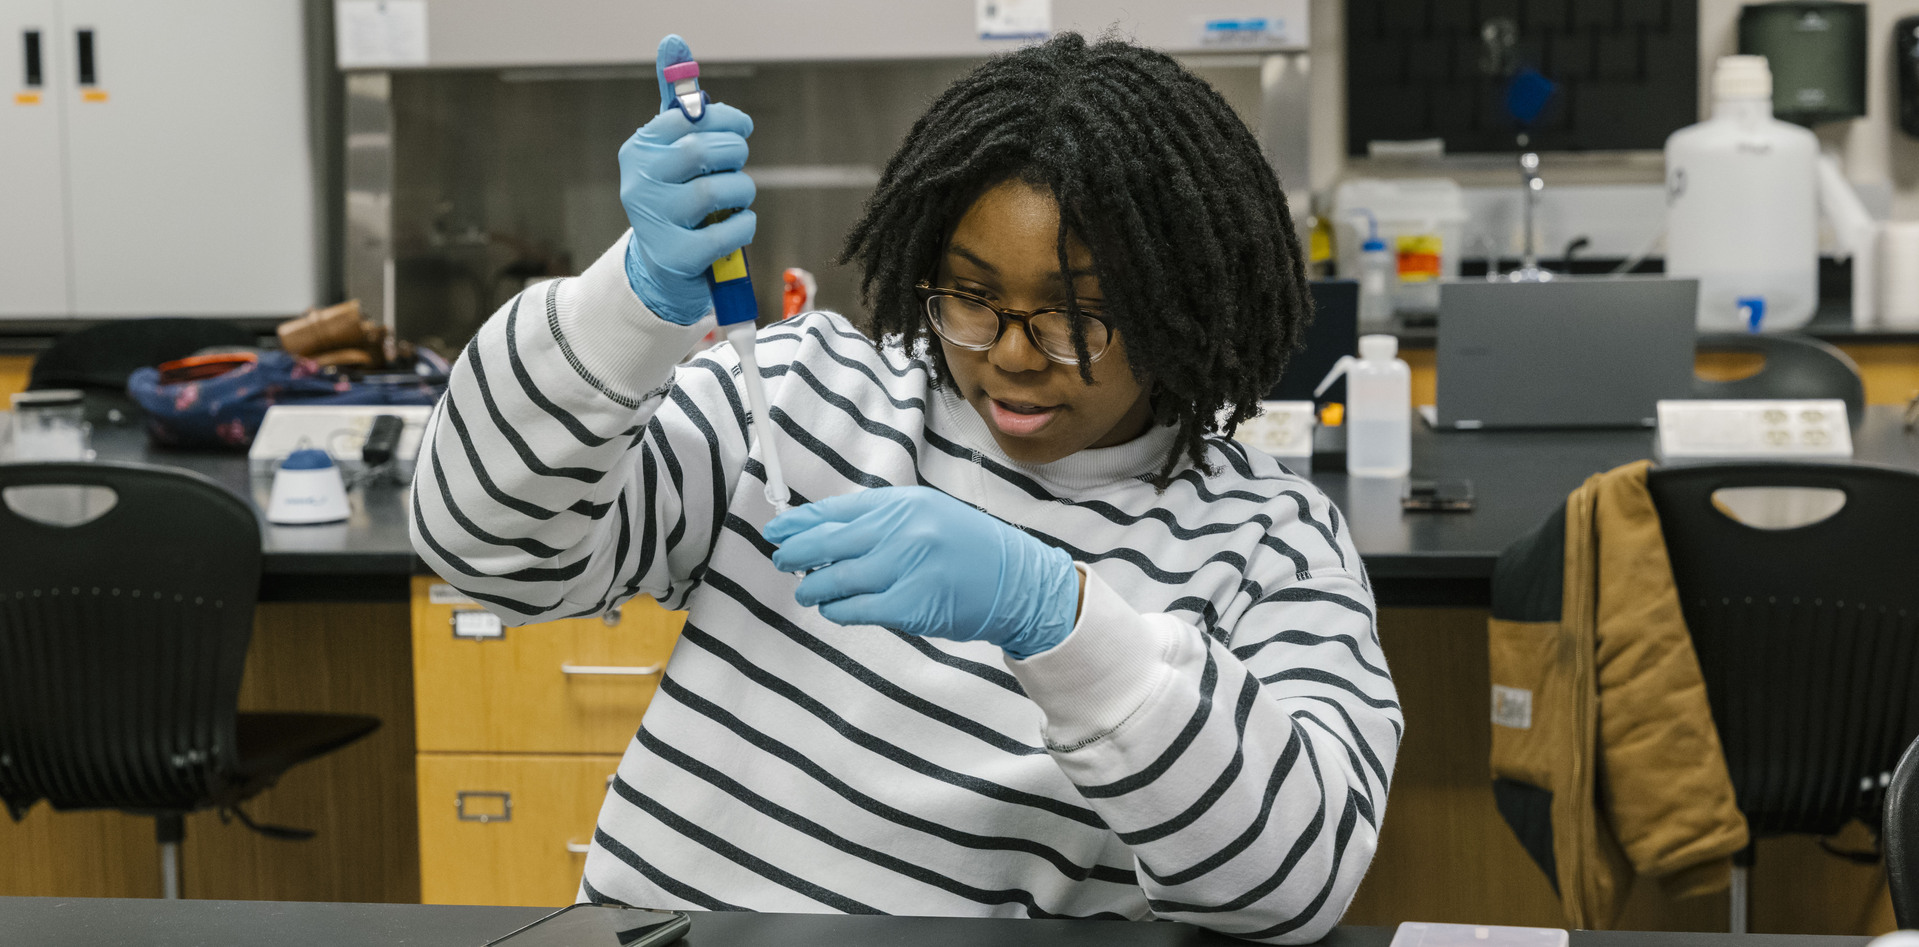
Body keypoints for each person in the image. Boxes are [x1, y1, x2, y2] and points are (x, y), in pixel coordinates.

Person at [411, 31, 1399, 944]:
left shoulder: (1266, 539)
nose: (1010, 356)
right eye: (970, 296)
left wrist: (1060, 616)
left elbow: (1296, 882)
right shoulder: (804, 392)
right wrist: (622, 306)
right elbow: (491, 553)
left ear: (1178, 305)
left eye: (1074, 315)